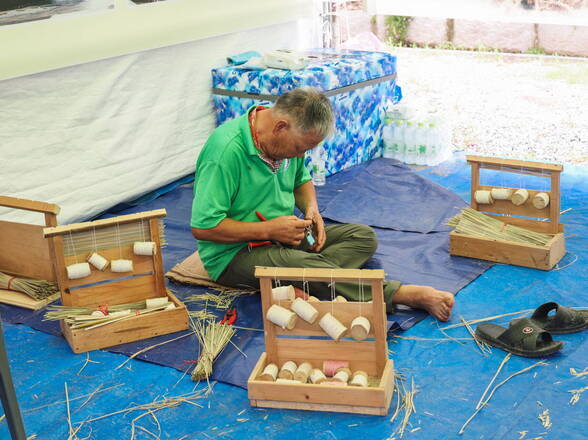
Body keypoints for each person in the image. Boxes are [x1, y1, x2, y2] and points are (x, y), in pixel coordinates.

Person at [191, 87, 454, 321]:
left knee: (363, 237)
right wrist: (268, 230)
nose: (301, 155)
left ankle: (305, 277)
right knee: (308, 265)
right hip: (237, 253)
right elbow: (204, 228)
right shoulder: (225, 152)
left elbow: (301, 180)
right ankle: (400, 294)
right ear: (281, 126)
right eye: (300, 148)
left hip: (284, 235)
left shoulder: (286, 140)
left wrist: (311, 208)